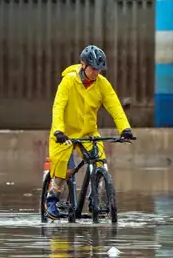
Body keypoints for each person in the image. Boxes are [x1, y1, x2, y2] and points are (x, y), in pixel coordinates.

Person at [46, 44, 135, 219]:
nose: (96, 73)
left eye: (99, 70)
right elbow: (58, 106)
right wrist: (58, 131)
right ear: (83, 64)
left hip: (89, 133)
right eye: (93, 69)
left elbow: (115, 106)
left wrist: (125, 129)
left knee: (101, 163)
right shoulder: (69, 81)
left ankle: (95, 199)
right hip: (64, 133)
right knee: (65, 170)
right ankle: (52, 199)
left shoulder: (102, 84)